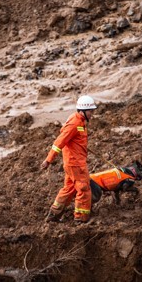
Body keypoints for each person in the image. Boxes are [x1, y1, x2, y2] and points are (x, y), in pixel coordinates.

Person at [41, 95, 97, 224]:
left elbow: (75, 140)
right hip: (76, 164)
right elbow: (59, 142)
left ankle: (54, 215)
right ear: (83, 110)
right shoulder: (75, 123)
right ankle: (80, 219)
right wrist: (48, 160)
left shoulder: (80, 121)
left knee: (69, 189)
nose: (92, 114)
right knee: (84, 189)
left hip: (73, 163)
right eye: (90, 111)